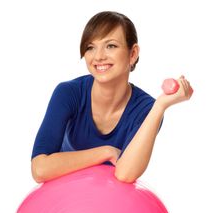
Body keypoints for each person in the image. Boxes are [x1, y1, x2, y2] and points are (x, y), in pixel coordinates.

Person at [31, 11, 193, 183]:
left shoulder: (147, 109)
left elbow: (126, 173)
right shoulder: (68, 93)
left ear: (133, 54)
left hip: (111, 204)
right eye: (90, 47)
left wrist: (160, 107)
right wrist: (106, 152)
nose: (98, 56)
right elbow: (40, 169)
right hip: (65, 202)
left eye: (111, 46)